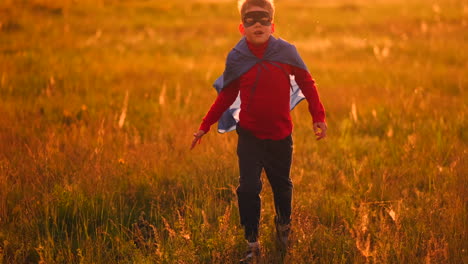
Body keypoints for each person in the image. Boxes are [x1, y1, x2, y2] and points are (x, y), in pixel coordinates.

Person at [191, 0, 327, 262]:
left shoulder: (286, 52)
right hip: (250, 135)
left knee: (282, 186)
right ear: (242, 28)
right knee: (248, 188)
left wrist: (318, 116)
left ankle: (283, 226)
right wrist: (205, 125)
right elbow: (227, 94)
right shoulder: (237, 57)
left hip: (280, 135)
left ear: (272, 25)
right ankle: (252, 244)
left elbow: (306, 82)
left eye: (263, 19)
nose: (257, 25)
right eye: (251, 20)